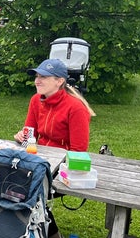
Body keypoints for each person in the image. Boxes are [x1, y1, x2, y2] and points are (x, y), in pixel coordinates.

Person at [13, 58, 96, 238]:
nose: (37, 81)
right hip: (38, 161)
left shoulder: (76, 108)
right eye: (36, 76)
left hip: (62, 168)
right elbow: (30, 136)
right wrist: (22, 137)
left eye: (44, 77)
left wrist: (51, 166)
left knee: (26, 190)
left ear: (60, 81)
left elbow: (78, 151)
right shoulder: (36, 100)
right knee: (7, 179)